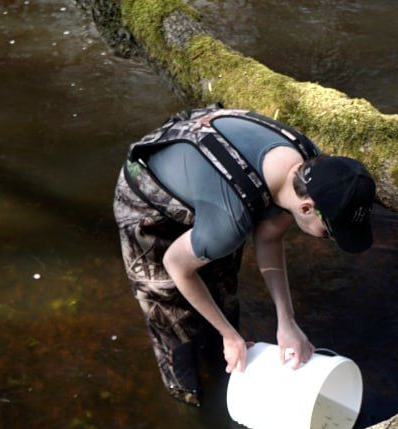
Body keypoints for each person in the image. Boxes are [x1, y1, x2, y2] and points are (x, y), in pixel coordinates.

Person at [113, 105, 376, 405]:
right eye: (329, 233)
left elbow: (270, 237)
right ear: (306, 208)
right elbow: (175, 264)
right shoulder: (231, 219)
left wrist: (286, 321)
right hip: (147, 194)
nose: (330, 239)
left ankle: (225, 359)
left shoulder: (311, 167)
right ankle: (188, 394)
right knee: (170, 306)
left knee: (223, 282)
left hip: (212, 180)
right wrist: (229, 335)